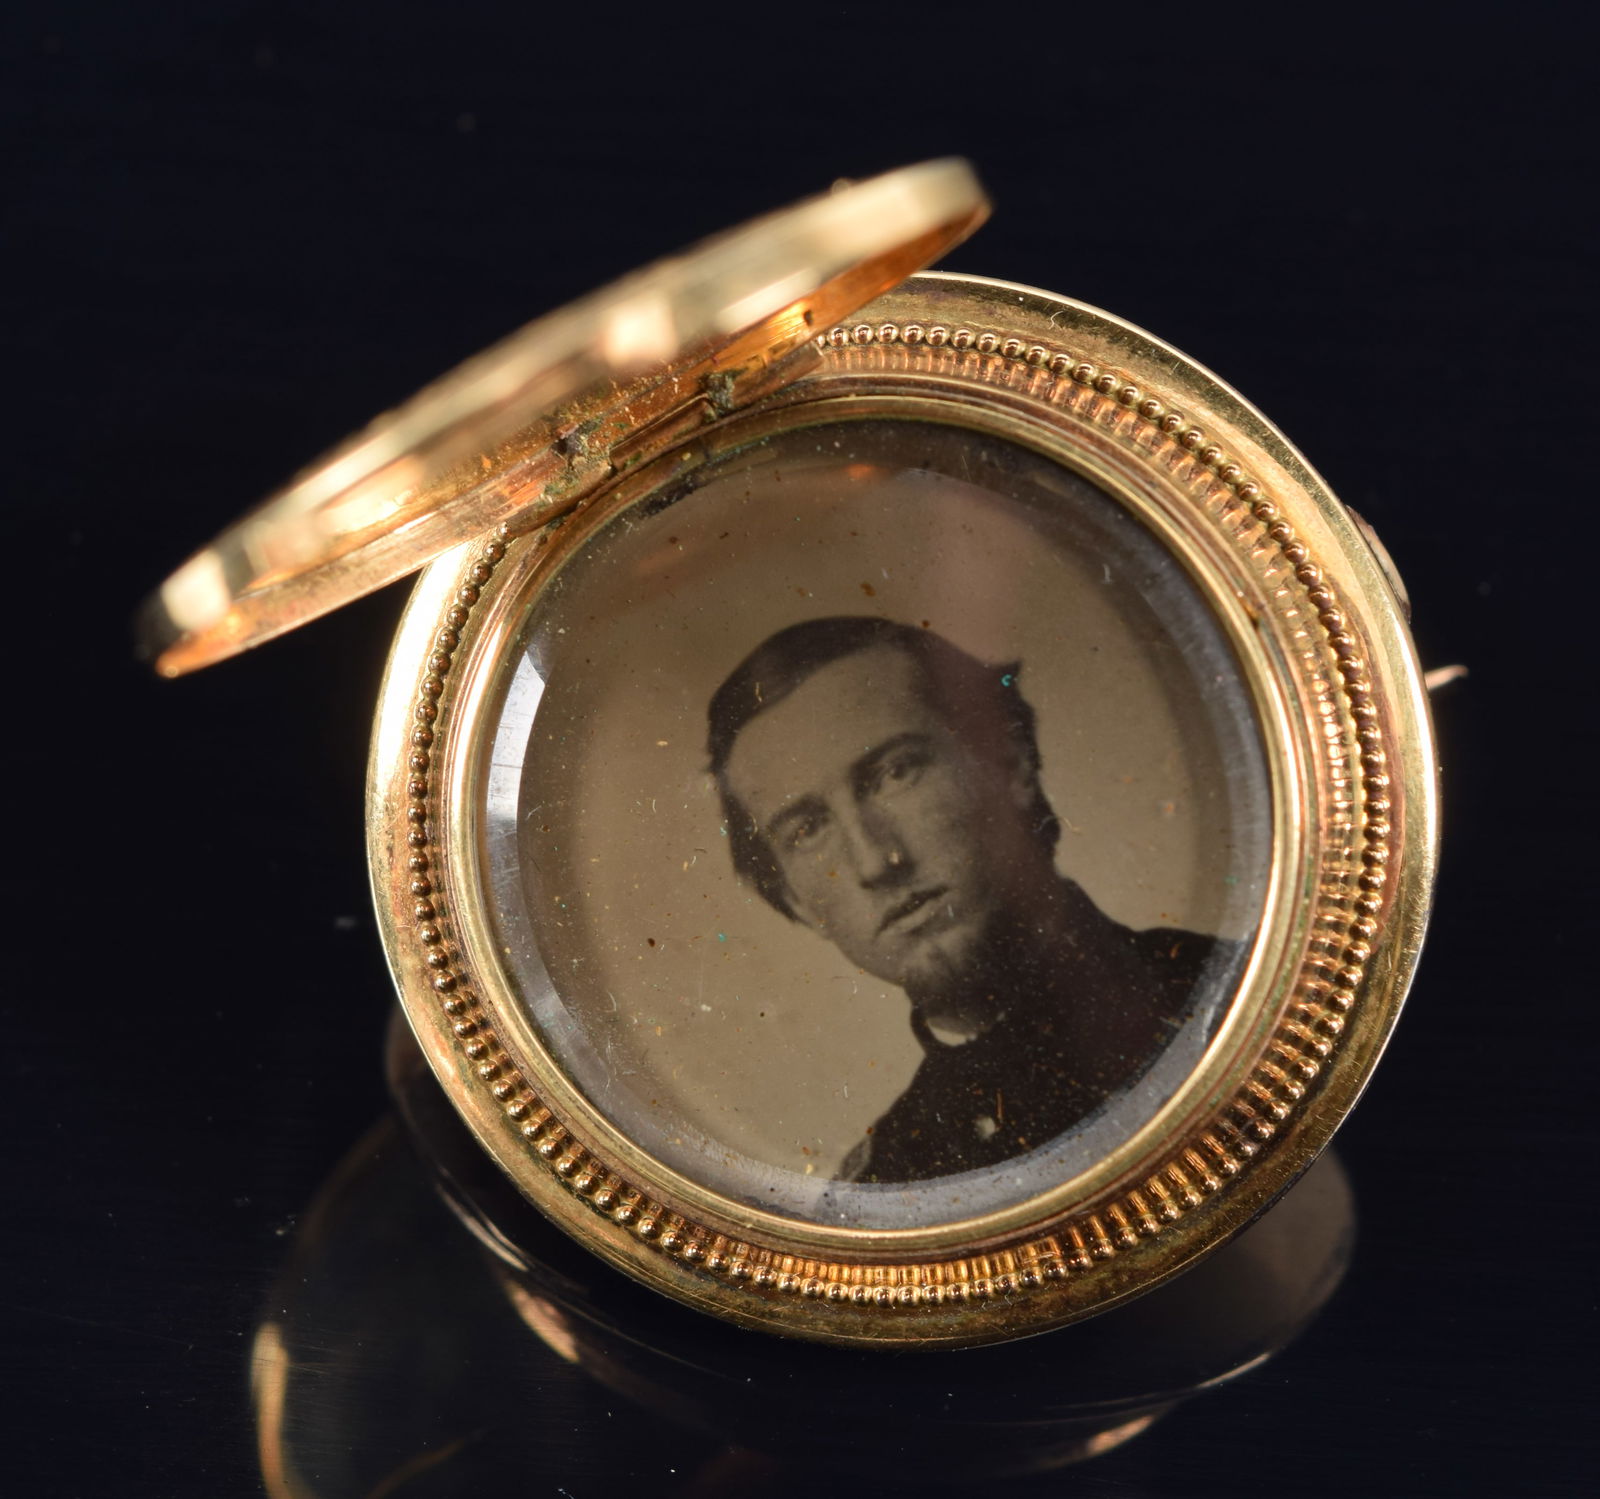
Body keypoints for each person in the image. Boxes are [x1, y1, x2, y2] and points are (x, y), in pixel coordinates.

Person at [707, 616, 1226, 1184]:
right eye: (806, 830)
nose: (876, 862)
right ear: (797, 902)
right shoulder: (884, 1189)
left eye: (895, 773)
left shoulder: (1236, 1003)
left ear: (1011, 764)